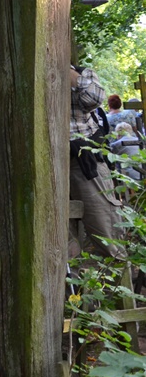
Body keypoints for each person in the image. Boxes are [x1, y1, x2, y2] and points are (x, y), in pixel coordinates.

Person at [70, 66, 124, 259]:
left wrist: (63, 68)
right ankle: (70, 278)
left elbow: (94, 99)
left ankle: (118, 275)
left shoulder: (82, 73)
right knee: (60, 242)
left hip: (83, 162)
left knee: (106, 232)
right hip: (43, 163)